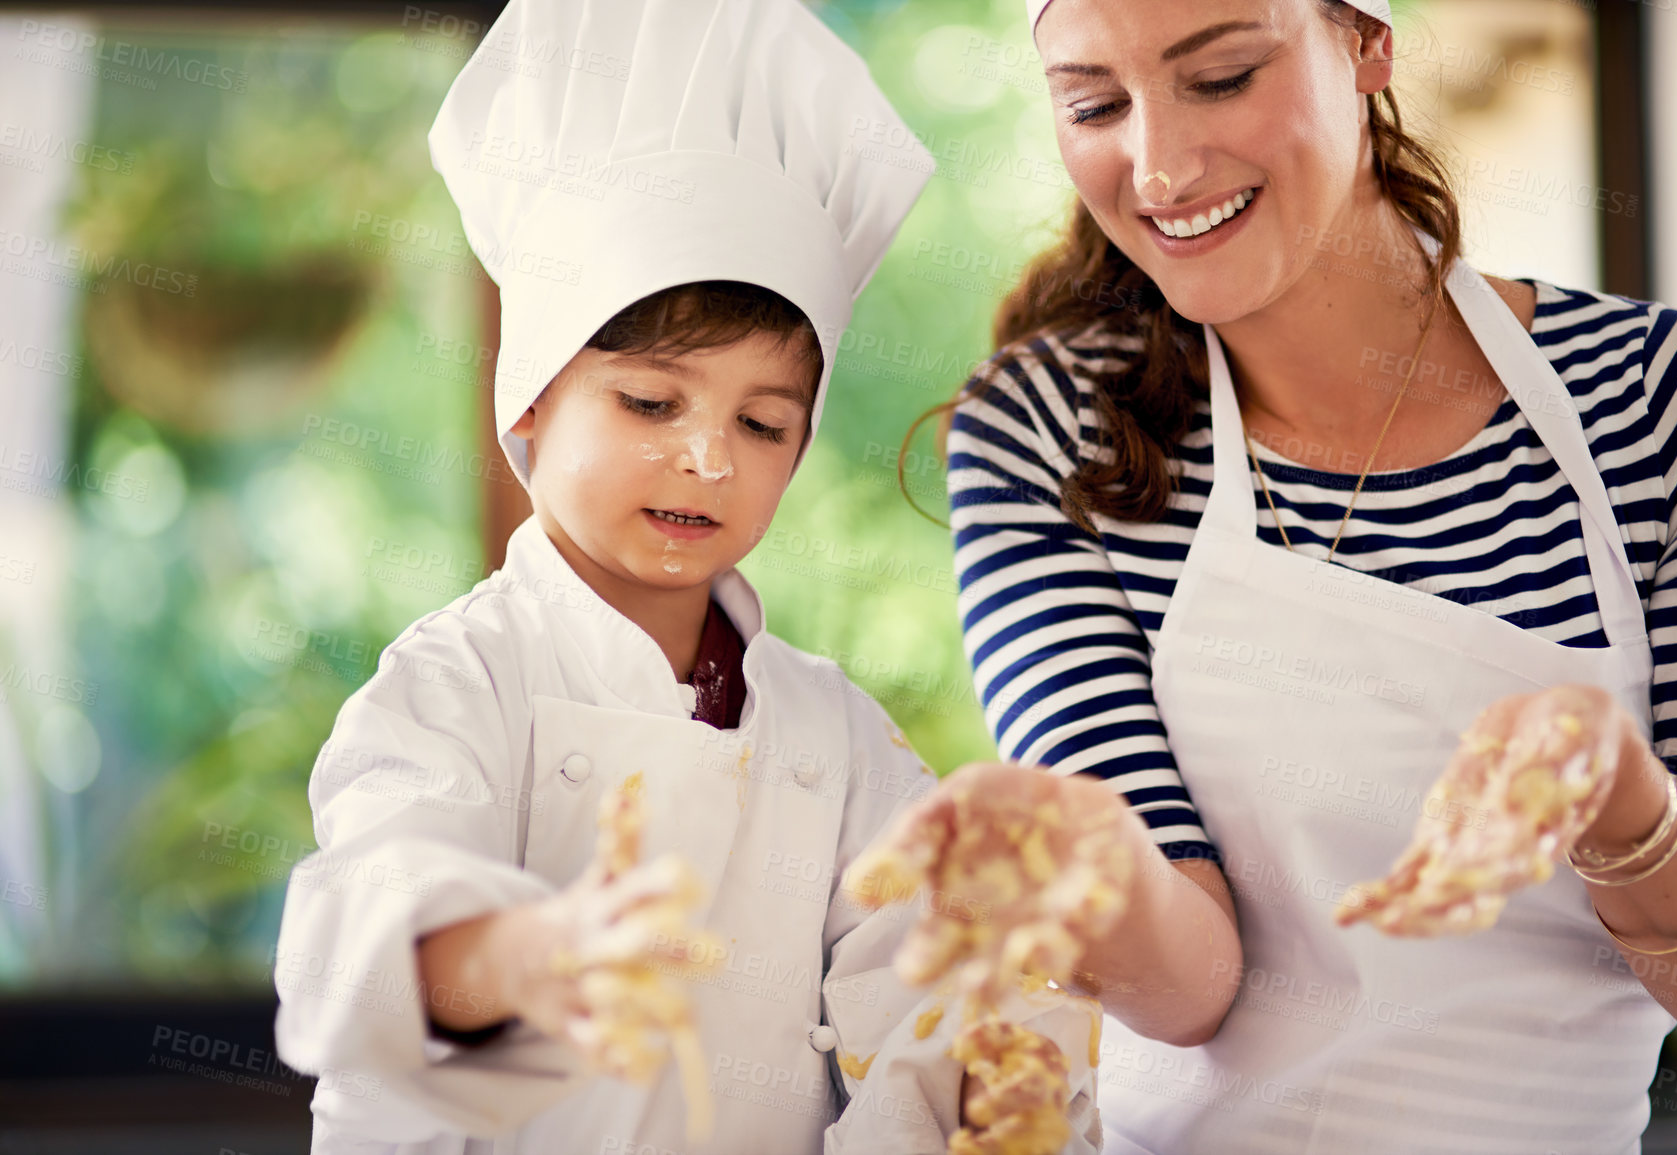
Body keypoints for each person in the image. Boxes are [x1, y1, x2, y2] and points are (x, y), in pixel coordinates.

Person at [270, 1, 1103, 1152]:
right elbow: (365, 919)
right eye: (652, 403)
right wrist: (521, 956)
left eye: (763, 424)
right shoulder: (463, 682)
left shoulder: (839, 737)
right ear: (529, 396)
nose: (707, 458)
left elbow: (931, 984)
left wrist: (1003, 1043)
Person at [912, 0, 1677, 1152]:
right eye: (1095, 104)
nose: (1159, 165)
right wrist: (1076, 862)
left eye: (1223, 76)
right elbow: (1190, 991)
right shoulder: (1051, 429)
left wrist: (1625, 813)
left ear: (1367, 45)